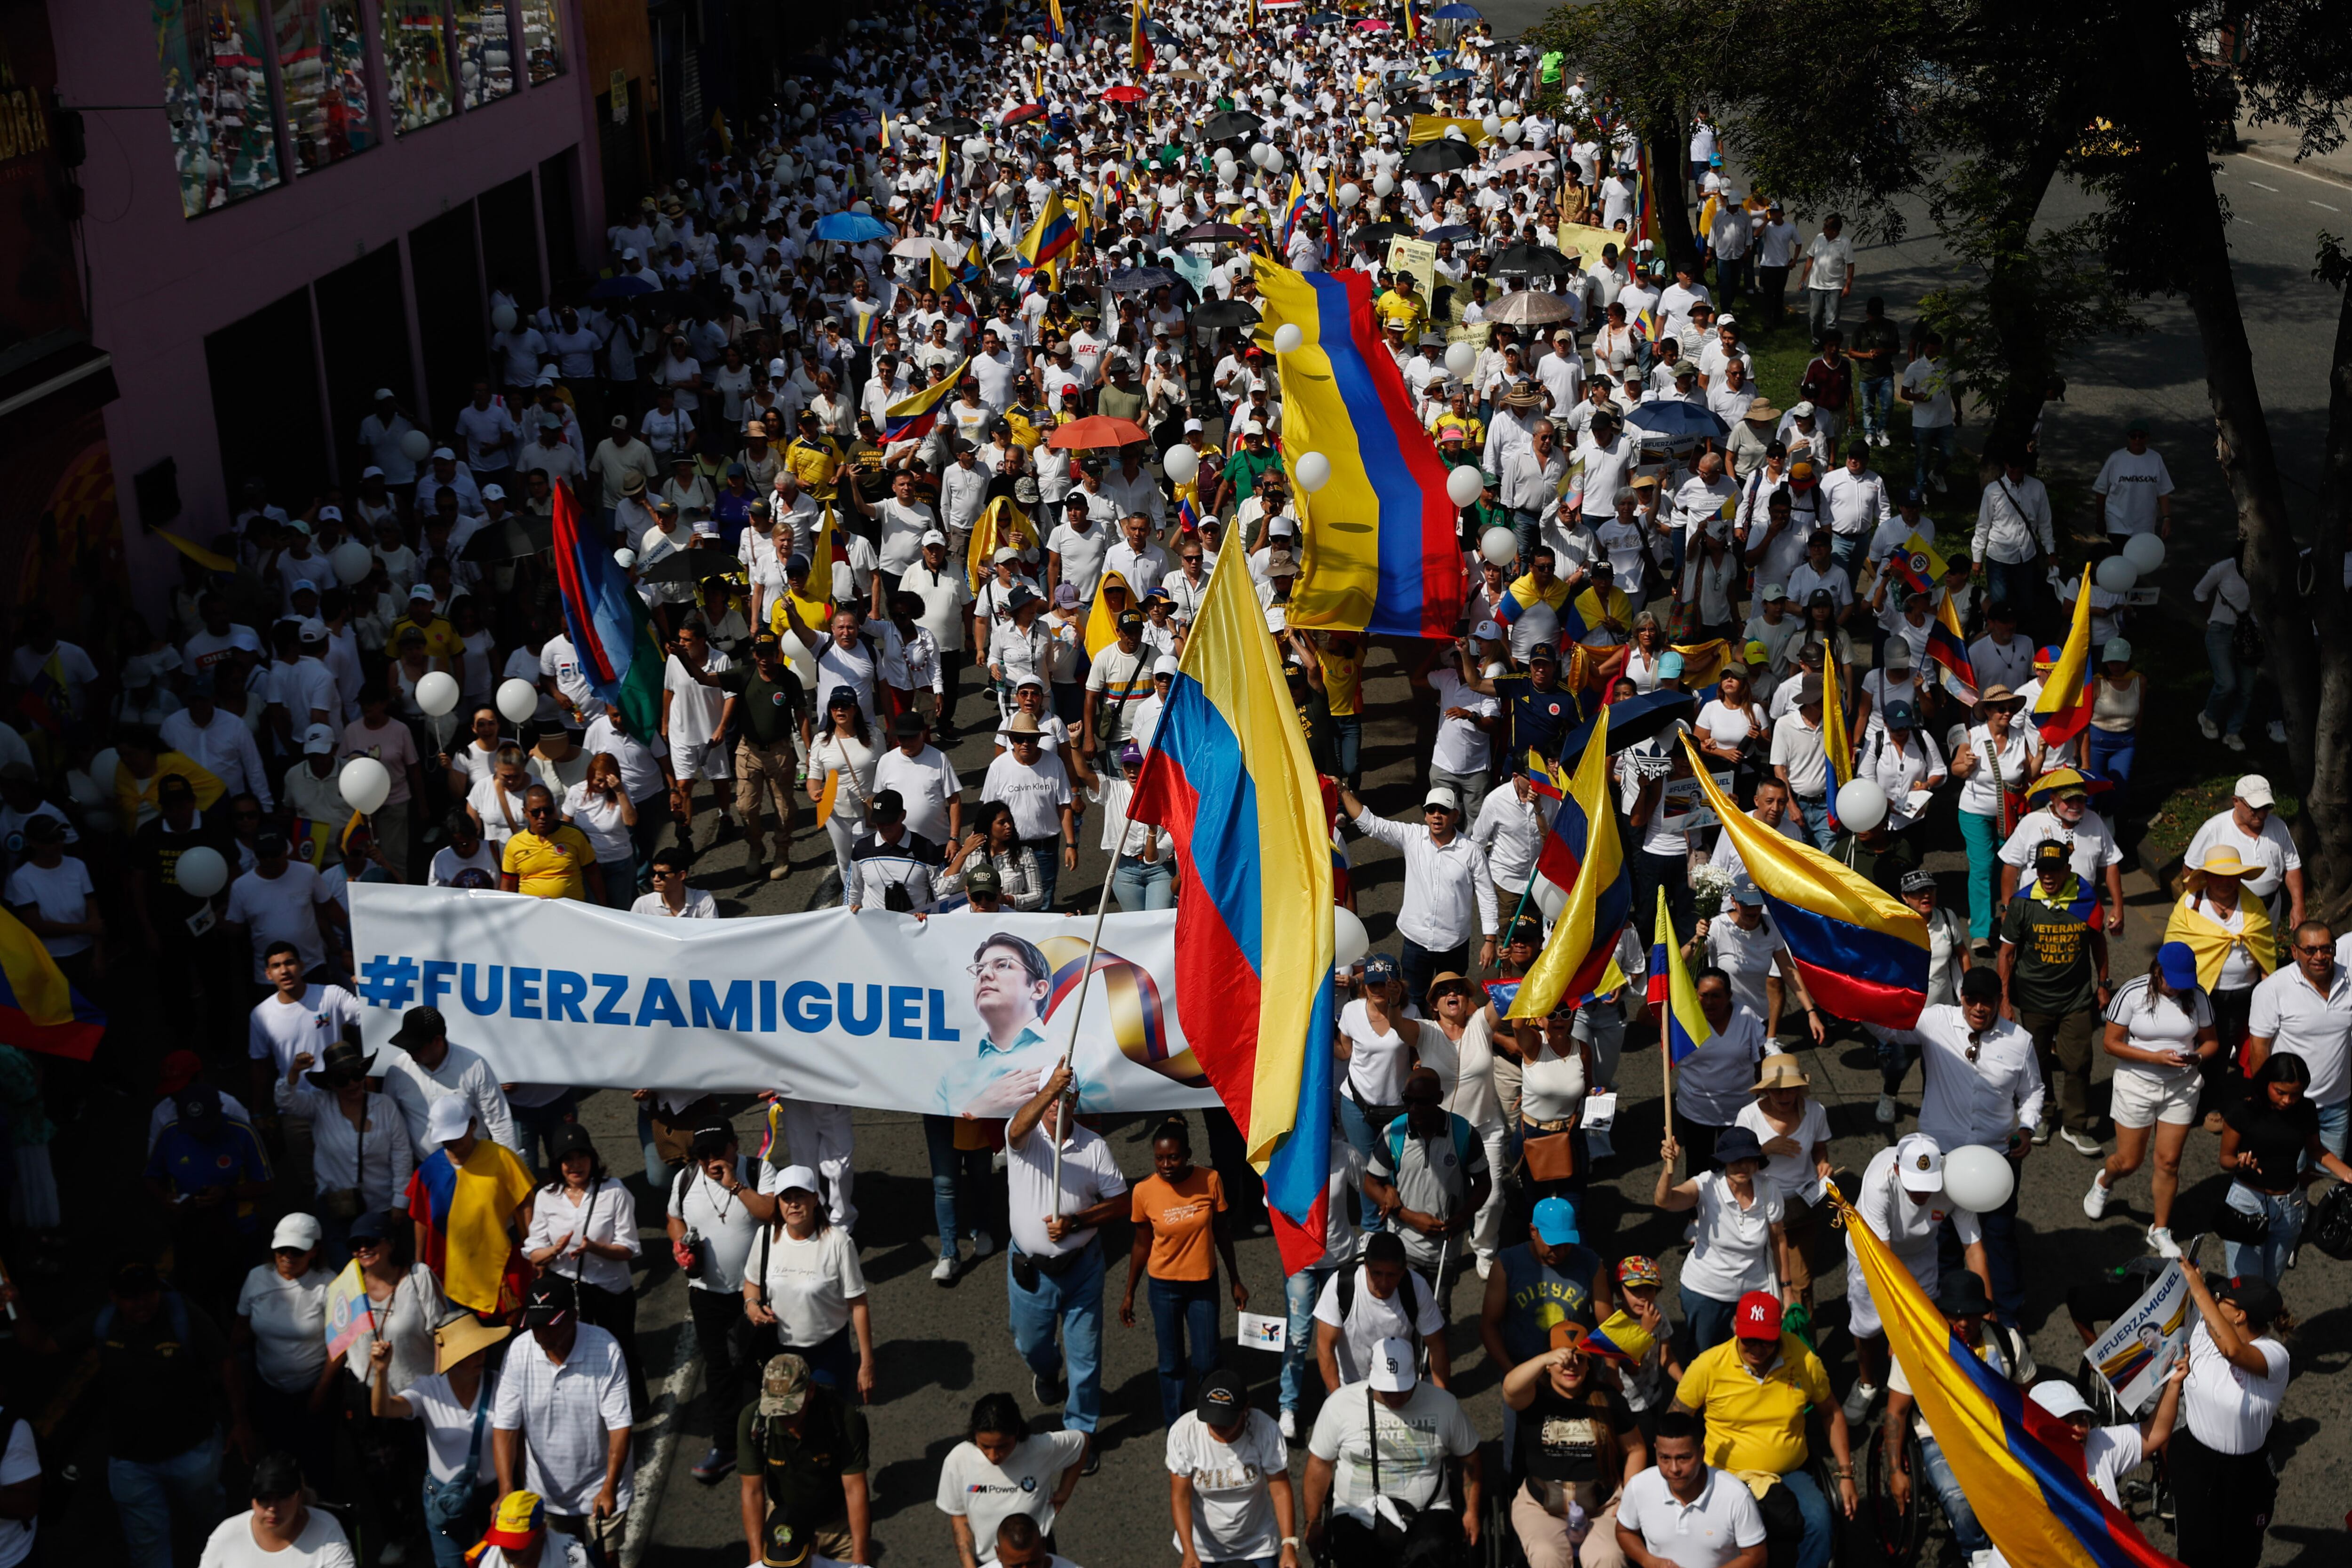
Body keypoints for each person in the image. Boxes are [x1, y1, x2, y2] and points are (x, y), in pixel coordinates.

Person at [1670, 1292, 1854, 1568]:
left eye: (1766, 1340)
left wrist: (1846, 1474)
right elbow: (1674, 1423)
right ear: (1736, 1327)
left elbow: (1831, 1412)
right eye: (1750, 1340)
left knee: (1819, 1522)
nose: (1757, 1348)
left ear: (1779, 1331)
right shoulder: (1707, 1366)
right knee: (1717, 1533)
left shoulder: (1804, 1360)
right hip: (1724, 1474)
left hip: (1790, 1472)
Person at [1003, 1063, 1126, 1453]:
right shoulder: (1024, 1138)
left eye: (1066, 1097)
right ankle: (1047, 1370)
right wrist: (1049, 1090)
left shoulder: (1095, 1147)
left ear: (1076, 1100)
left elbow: (1122, 1202)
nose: (1059, 1104)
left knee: (1085, 1358)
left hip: (1083, 1268)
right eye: (1052, 1097)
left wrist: (1078, 1222)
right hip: (1032, 1270)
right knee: (1031, 1344)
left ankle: (1081, 1434)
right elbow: (1016, 1130)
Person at [1877, 1271, 2037, 1564]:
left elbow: (2033, 1395)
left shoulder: (2007, 1341)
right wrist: (1896, 1471)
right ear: (1942, 1312)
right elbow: (1896, 1412)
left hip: (1999, 1433)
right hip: (1940, 1439)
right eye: (1955, 1315)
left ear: (1983, 1313)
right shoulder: (1914, 1346)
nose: (1964, 1323)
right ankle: (1977, 1556)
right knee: (1960, 1502)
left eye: (1972, 1314)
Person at [1837, 1132, 1991, 1424]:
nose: (1922, 1194)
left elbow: (1974, 1250)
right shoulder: (1878, 1183)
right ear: (1897, 1170)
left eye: (1928, 1186)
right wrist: (1897, 1327)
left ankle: (1916, 1387)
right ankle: (1867, 1383)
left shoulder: (1957, 1184)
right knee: (1867, 1328)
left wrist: (1988, 1310)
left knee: (1924, 1324)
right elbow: (1884, 1264)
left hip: (1921, 1254)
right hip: (1872, 1252)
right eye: (1914, 1186)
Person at [2085, 942, 2218, 1256]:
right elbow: (2110, 1044)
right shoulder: (2132, 993)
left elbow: (2211, 1042)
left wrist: (2197, 1057)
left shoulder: (2198, 995)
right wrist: (2154, 1058)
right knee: (2129, 1161)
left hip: (2182, 1088)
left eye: (2184, 982)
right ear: (2157, 970)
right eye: (2172, 980)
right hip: (2136, 1085)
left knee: (2169, 1162)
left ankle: (2160, 1230)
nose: (2178, 988)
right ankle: (2105, 1180)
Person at [1303, 1336, 1482, 1566]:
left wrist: (1472, 1512)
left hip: (1428, 1511)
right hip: (1357, 1512)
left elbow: (1470, 1457)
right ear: (1372, 1373)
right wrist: (1313, 1523)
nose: (1395, 1396)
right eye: (1387, 1389)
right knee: (1351, 1548)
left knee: (1434, 1548)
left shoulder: (1445, 1405)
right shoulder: (1340, 1405)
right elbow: (1319, 1464)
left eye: (1402, 1389)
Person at [492, 1276, 634, 1564]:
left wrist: (609, 1488)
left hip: (602, 1484)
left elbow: (620, 1427)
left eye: (550, 1324)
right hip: (547, 1493)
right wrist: (506, 1490)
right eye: (535, 1325)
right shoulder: (518, 1353)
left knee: (606, 1559)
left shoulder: (606, 1349)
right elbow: (506, 1428)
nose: (541, 1333)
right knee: (562, 1561)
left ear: (573, 1317)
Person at [666, 1123, 777, 1483]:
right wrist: (679, 1244)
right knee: (719, 1370)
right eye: (703, 1154)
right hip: (707, 1293)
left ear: (735, 1145)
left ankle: (776, 1438)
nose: (711, 1160)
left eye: (718, 1151)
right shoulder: (686, 1179)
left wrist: (735, 1185)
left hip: (758, 1291)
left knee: (766, 1363)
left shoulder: (758, 1170)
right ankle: (727, 1445)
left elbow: (771, 1212)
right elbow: (673, 1218)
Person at [1119, 1117, 1247, 1429]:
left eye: (1174, 1157)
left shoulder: (1210, 1180)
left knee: (1208, 1360)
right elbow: (1141, 1244)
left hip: (1204, 1284)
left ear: (1188, 1154)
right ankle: (1176, 1427)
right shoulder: (1144, 1191)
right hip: (1164, 1288)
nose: (1166, 1165)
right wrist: (1129, 1293)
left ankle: (1209, 1424)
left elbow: (1222, 1233)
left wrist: (1235, 1280)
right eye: (1160, 1158)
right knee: (1171, 1364)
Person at [1997, 838, 2112, 1156]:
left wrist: (2104, 983)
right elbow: (2006, 954)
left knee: (2079, 1062)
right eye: (2042, 870)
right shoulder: (2023, 903)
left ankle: (2075, 1126)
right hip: (2034, 1000)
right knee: (2037, 1062)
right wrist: (2004, 1000)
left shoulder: (2085, 899)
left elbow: (2098, 943)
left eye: (2055, 869)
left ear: (2068, 869)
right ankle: (2043, 1116)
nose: (2047, 876)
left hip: (2076, 999)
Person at [2171, 1267, 2292, 1568]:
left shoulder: (2275, 1355)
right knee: (2193, 1555)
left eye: (2219, 1298)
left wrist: (2200, 1290)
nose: (2212, 1301)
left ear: (2239, 1316)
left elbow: (2233, 1351)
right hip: (2194, 1459)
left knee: (2240, 1557)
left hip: (2244, 1474)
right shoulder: (2204, 1326)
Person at [371, 1313, 510, 1568]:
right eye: (470, 1351)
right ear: (453, 1357)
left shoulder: (501, 1385)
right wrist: (381, 1372)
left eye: (481, 1348)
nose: (480, 1356)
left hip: (493, 1497)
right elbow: (384, 1409)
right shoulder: (428, 1389)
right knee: (451, 1563)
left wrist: (508, 1490)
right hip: (444, 1498)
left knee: (499, 1561)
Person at [1503, 1322, 1648, 1568]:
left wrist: (1629, 1499)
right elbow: (1510, 1387)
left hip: (1602, 1507)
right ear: (1548, 1365)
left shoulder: (1608, 1399)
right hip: (1541, 1508)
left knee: (1609, 1557)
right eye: (1563, 1359)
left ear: (1589, 1364)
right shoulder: (1534, 1397)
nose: (1571, 1366)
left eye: (1579, 1359)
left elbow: (1636, 1449)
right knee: (1547, 1555)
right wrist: (1545, 1358)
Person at [1338, 782, 1499, 1002]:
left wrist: (1490, 940)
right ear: (1425, 815)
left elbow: (1487, 895)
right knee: (1413, 1000)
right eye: (1431, 810)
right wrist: (1342, 790)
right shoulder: (1412, 836)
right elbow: (1370, 824)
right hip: (1416, 941)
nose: (1436, 816)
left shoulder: (1472, 852)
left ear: (1455, 815)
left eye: (1443, 811)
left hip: (1454, 944)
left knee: (1452, 1001)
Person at [524, 1125, 644, 1406]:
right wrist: (555, 1250)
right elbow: (534, 1253)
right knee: (574, 1351)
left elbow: (629, 1248)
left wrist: (595, 1248)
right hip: (566, 1291)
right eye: (568, 1159)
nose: (576, 1165)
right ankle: (585, 1406)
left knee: (621, 1348)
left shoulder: (615, 1191)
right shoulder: (546, 1196)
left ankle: (634, 1405)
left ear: (593, 1158)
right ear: (558, 1164)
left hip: (611, 1290)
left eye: (582, 1157)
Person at [1653, 1126, 1792, 1353]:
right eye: (1736, 1160)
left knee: (1756, 1356)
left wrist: (1787, 1291)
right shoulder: (1706, 1184)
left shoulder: (1769, 1190)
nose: (1743, 1166)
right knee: (1704, 1357)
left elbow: (1779, 1240)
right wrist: (1670, 1168)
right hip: (1706, 1292)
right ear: (1724, 1162)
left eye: (1749, 1160)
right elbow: (1665, 1201)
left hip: (1756, 1292)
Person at [743, 1163, 875, 1400]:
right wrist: (751, 1306)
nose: (793, 1204)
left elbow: (858, 1305)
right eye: (786, 1198)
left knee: (826, 1415)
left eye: (800, 1196)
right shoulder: (765, 1238)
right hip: (780, 1354)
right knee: (787, 1417)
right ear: (778, 1203)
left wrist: (866, 1364)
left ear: (815, 1200)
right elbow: (752, 1283)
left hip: (828, 1354)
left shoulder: (838, 1243)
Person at [2217, 1053, 2352, 1282]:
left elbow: (2316, 1150)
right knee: (2247, 1292)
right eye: (2280, 1092)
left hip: (2290, 1207)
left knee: (2269, 1290)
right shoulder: (2243, 1112)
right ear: (2266, 1083)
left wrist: (2347, 1173)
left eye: (2295, 1094)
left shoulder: (2306, 1110)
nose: (2288, 1100)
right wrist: (2239, 1162)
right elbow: (2225, 1159)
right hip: (2248, 1205)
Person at [276, 1036, 413, 1255]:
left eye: (357, 1076)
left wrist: (400, 1202)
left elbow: (402, 1156)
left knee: (381, 1265)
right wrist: (294, 1072)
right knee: (343, 1268)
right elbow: (285, 1101)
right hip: (336, 1209)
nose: (352, 1084)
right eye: (342, 1079)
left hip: (382, 1207)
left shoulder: (385, 1106)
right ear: (331, 1084)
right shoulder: (318, 1104)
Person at [735, 1353, 873, 1568]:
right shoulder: (753, 1421)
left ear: (810, 1391)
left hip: (837, 1527)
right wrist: (756, 1559)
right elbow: (753, 1491)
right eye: (776, 1409)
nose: (783, 1418)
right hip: (785, 1528)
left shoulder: (843, 1418)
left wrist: (860, 1558)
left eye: (790, 1410)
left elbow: (855, 1488)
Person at [1363, 1064, 1493, 1289]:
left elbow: (1484, 1183)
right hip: (1403, 1248)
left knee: (1439, 1306)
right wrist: (1410, 1217)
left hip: (1446, 1251)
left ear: (1440, 1098)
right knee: (1405, 1306)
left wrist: (1464, 1216)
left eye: (1422, 1102)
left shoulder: (1464, 1134)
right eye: (1408, 1100)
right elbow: (1371, 1183)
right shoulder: (1393, 1133)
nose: (1414, 1109)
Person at [934, 1393, 1088, 1568]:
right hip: (987, 1561)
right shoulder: (958, 1460)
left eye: (1002, 1446)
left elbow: (1082, 1442)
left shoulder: (1040, 1449)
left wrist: (1065, 1492)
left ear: (1016, 1431)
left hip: (1035, 1558)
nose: (993, 1456)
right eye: (985, 1446)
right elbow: (959, 1516)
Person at [2242, 917, 2352, 1160]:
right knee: (2289, 1169)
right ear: (2294, 951)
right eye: (2310, 950)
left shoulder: (2349, 980)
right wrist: (2264, 1099)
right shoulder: (2273, 989)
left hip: (2337, 1104)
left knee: (2328, 1169)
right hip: (2291, 1104)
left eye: (2326, 949)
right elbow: (2260, 1048)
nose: (2320, 956)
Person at [1165, 1369, 1297, 1568]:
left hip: (1258, 1545)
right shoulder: (1184, 1433)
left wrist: (1289, 1545)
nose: (1218, 1426)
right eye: (1211, 1418)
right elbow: (1181, 1496)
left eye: (1226, 1421)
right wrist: (1189, 1552)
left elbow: (1280, 1490)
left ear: (1246, 1410)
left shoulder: (1267, 1430)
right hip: (1203, 1550)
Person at [1733, 1055, 1834, 1305]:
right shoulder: (1748, 1117)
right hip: (1761, 1209)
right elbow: (1735, 1166)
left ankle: (1800, 1328)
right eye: (1777, 1090)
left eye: (1790, 1089)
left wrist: (1822, 1163)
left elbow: (1820, 1149)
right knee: (1759, 1281)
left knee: (1801, 1283)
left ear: (1799, 1088)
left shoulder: (1816, 1112)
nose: (1784, 1096)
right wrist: (1765, 1150)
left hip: (1802, 1206)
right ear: (1766, 1091)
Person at [1612, 1409, 1764, 1568]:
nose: (1674, 1469)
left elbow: (1756, 1556)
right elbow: (1625, 1532)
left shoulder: (1736, 1495)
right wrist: (1647, 1560)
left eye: (1683, 1458)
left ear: (1701, 1453)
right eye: (1665, 1458)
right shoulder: (1639, 1486)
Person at [1312, 1230, 1449, 1395]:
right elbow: (1325, 1347)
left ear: (1404, 1269)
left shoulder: (1417, 1288)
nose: (1384, 1283)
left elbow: (1436, 1346)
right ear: (1366, 1266)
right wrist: (1338, 1397)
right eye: (1377, 1274)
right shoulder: (1340, 1285)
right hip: (1350, 1389)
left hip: (1400, 1390)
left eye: (1391, 1275)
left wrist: (1443, 1399)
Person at [199, 1451, 355, 1568]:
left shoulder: (327, 1530)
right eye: (263, 1499)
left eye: (282, 1497)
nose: (273, 1508)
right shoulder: (226, 1535)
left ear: (299, 1496)